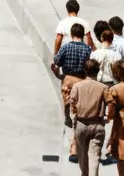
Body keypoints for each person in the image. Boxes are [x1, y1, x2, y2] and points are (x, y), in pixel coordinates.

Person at [52, 21, 91, 155]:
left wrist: (57, 71)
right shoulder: (87, 49)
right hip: (82, 80)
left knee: (69, 106)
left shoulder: (66, 47)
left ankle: (73, 139)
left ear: (72, 34)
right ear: (82, 35)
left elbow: (56, 61)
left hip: (68, 80)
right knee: (79, 109)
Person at [70, 58, 108, 176]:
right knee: (94, 156)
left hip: (81, 123)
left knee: (82, 155)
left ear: (85, 70)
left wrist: (73, 119)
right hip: (97, 123)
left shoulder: (77, 86)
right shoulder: (103, 88)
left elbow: (72, 104)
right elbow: (111, 103)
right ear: (98, 71)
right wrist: (108, 117)